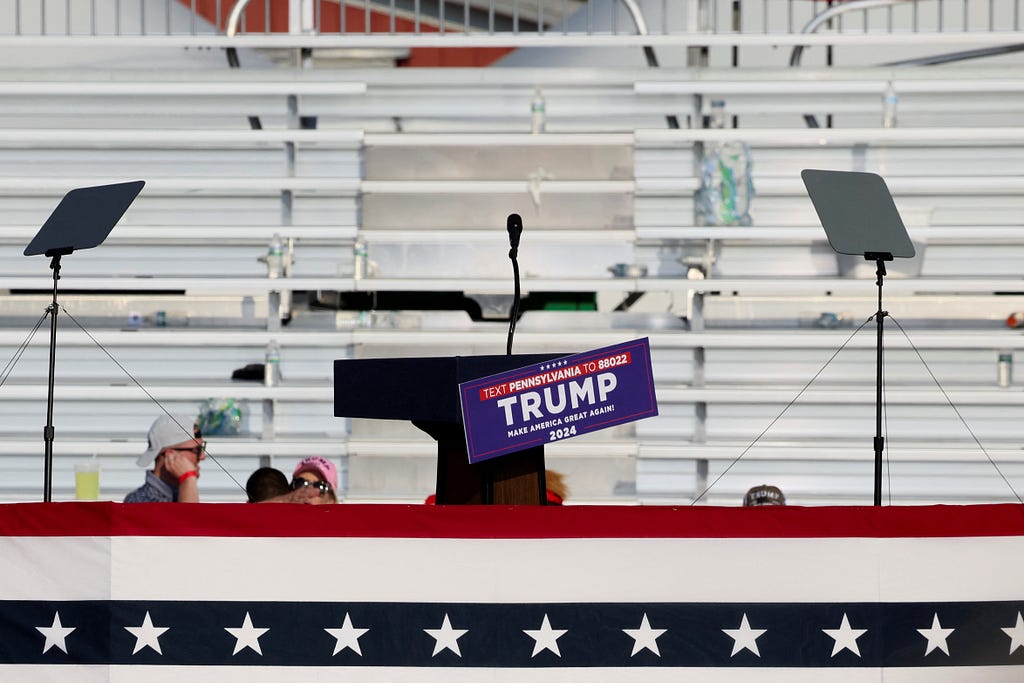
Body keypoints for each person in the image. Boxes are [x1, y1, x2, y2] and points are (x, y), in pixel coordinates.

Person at [124, 415, 205, 503]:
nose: (202, 456)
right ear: (170, 455)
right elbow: (188, 517)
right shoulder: (142, 501)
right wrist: (188, 478)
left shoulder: (178, 492)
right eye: (197, 450)